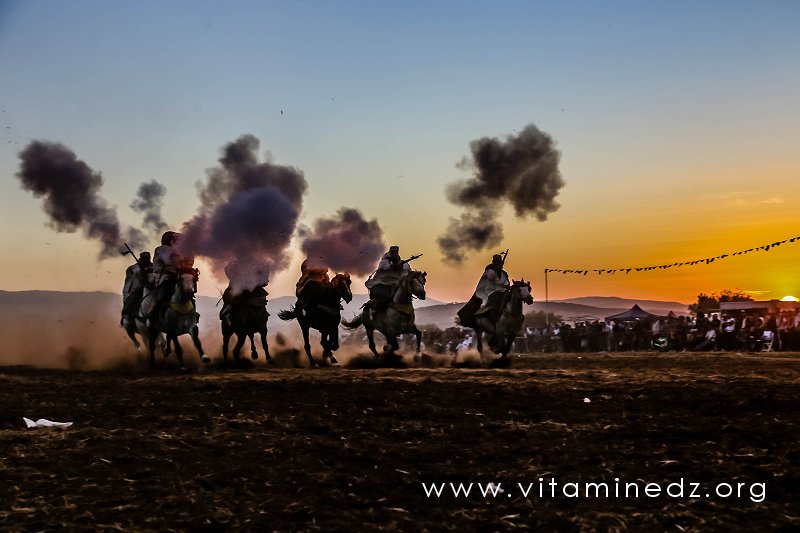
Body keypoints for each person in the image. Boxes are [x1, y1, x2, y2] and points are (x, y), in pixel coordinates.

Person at [142, 231, 195, 317]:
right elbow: (171, 260)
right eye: (174, 239)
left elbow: (189, 261)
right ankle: (153, 316)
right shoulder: (162, 249)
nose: (177, 241)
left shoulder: (178, 250)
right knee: (163, 294)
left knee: (188, 293)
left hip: (178, 277)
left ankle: (193, 314)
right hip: (165, 277)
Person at [457, 253, 510, 329]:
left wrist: (507, 286)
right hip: (487, 291)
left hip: (500, 292)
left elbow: (506, 283)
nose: (500, 264)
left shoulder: (504, 273)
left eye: (500, 262)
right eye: (497, 262)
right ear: (494, 263)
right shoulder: (489, 271)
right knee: (478, 302)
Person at [365, 245, 413, 310]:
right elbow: (384, 269)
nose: (395, 254)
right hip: (384, 282)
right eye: (393, 252)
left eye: (396, 252)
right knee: (379, 297)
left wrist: (401, 266)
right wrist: (394, 266)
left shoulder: (403, 263)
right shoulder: (384, 262)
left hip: (397, 282)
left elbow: (408, 270)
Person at [120, 251, 152, 326]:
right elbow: (128, 283)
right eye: (145, 259)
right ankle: (127, 320)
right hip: (137, 290)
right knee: (130, 303)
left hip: (151, 289)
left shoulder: (153, 267)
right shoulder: (133, 268)